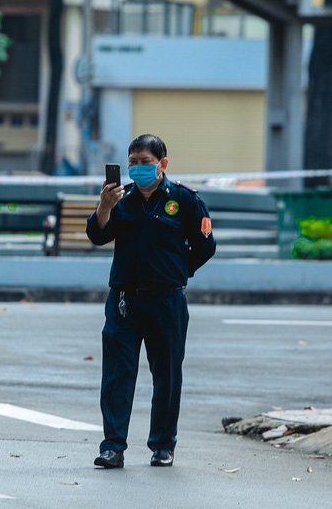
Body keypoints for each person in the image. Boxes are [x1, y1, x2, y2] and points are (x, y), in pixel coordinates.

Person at [86, 134, 216, 469]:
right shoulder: (121, 198)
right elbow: (97, 235)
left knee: (167, 376)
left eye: (145, 162)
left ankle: (163, 445)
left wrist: (176, 272)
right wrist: (104, 207)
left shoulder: (185, 200)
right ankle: (113, 446)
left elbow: (206, 246)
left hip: (167, 302)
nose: (138, 168)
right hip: (124, 302)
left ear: (162, 164)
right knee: (117, 376)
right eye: (133, 162)